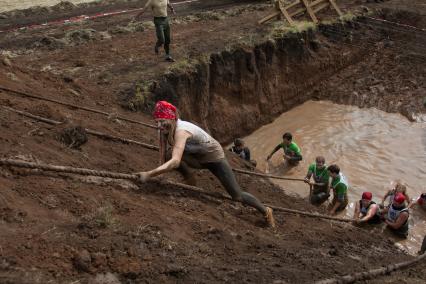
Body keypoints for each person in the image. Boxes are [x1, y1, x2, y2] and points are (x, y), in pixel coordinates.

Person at [136, 101, 276, 228]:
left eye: (162, 121)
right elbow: (162, 154)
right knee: (169, 153)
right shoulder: (164, 128)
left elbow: (176, 161)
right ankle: (189, 175)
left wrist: (149, 174)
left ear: (171, 119)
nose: (160, 125)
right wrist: (158, 174)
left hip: (214, 158)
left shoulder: (181, 131)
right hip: (197, 158)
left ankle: (265, 211)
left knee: (237, 196)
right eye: (158, 122)